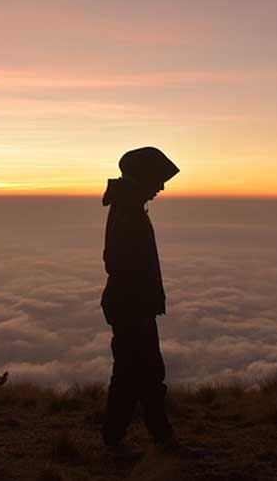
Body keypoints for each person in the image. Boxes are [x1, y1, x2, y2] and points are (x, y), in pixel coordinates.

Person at [100, 146, 185, 456]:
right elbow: (117, 262)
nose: (161, 187)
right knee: (139, 373)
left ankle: (138, 438)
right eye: (158, 180)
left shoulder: (128, 206)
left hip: (130, 304)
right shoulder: (128, 211)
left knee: (139, 373)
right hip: (130, 306)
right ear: (143, 178)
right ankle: (141, 440)